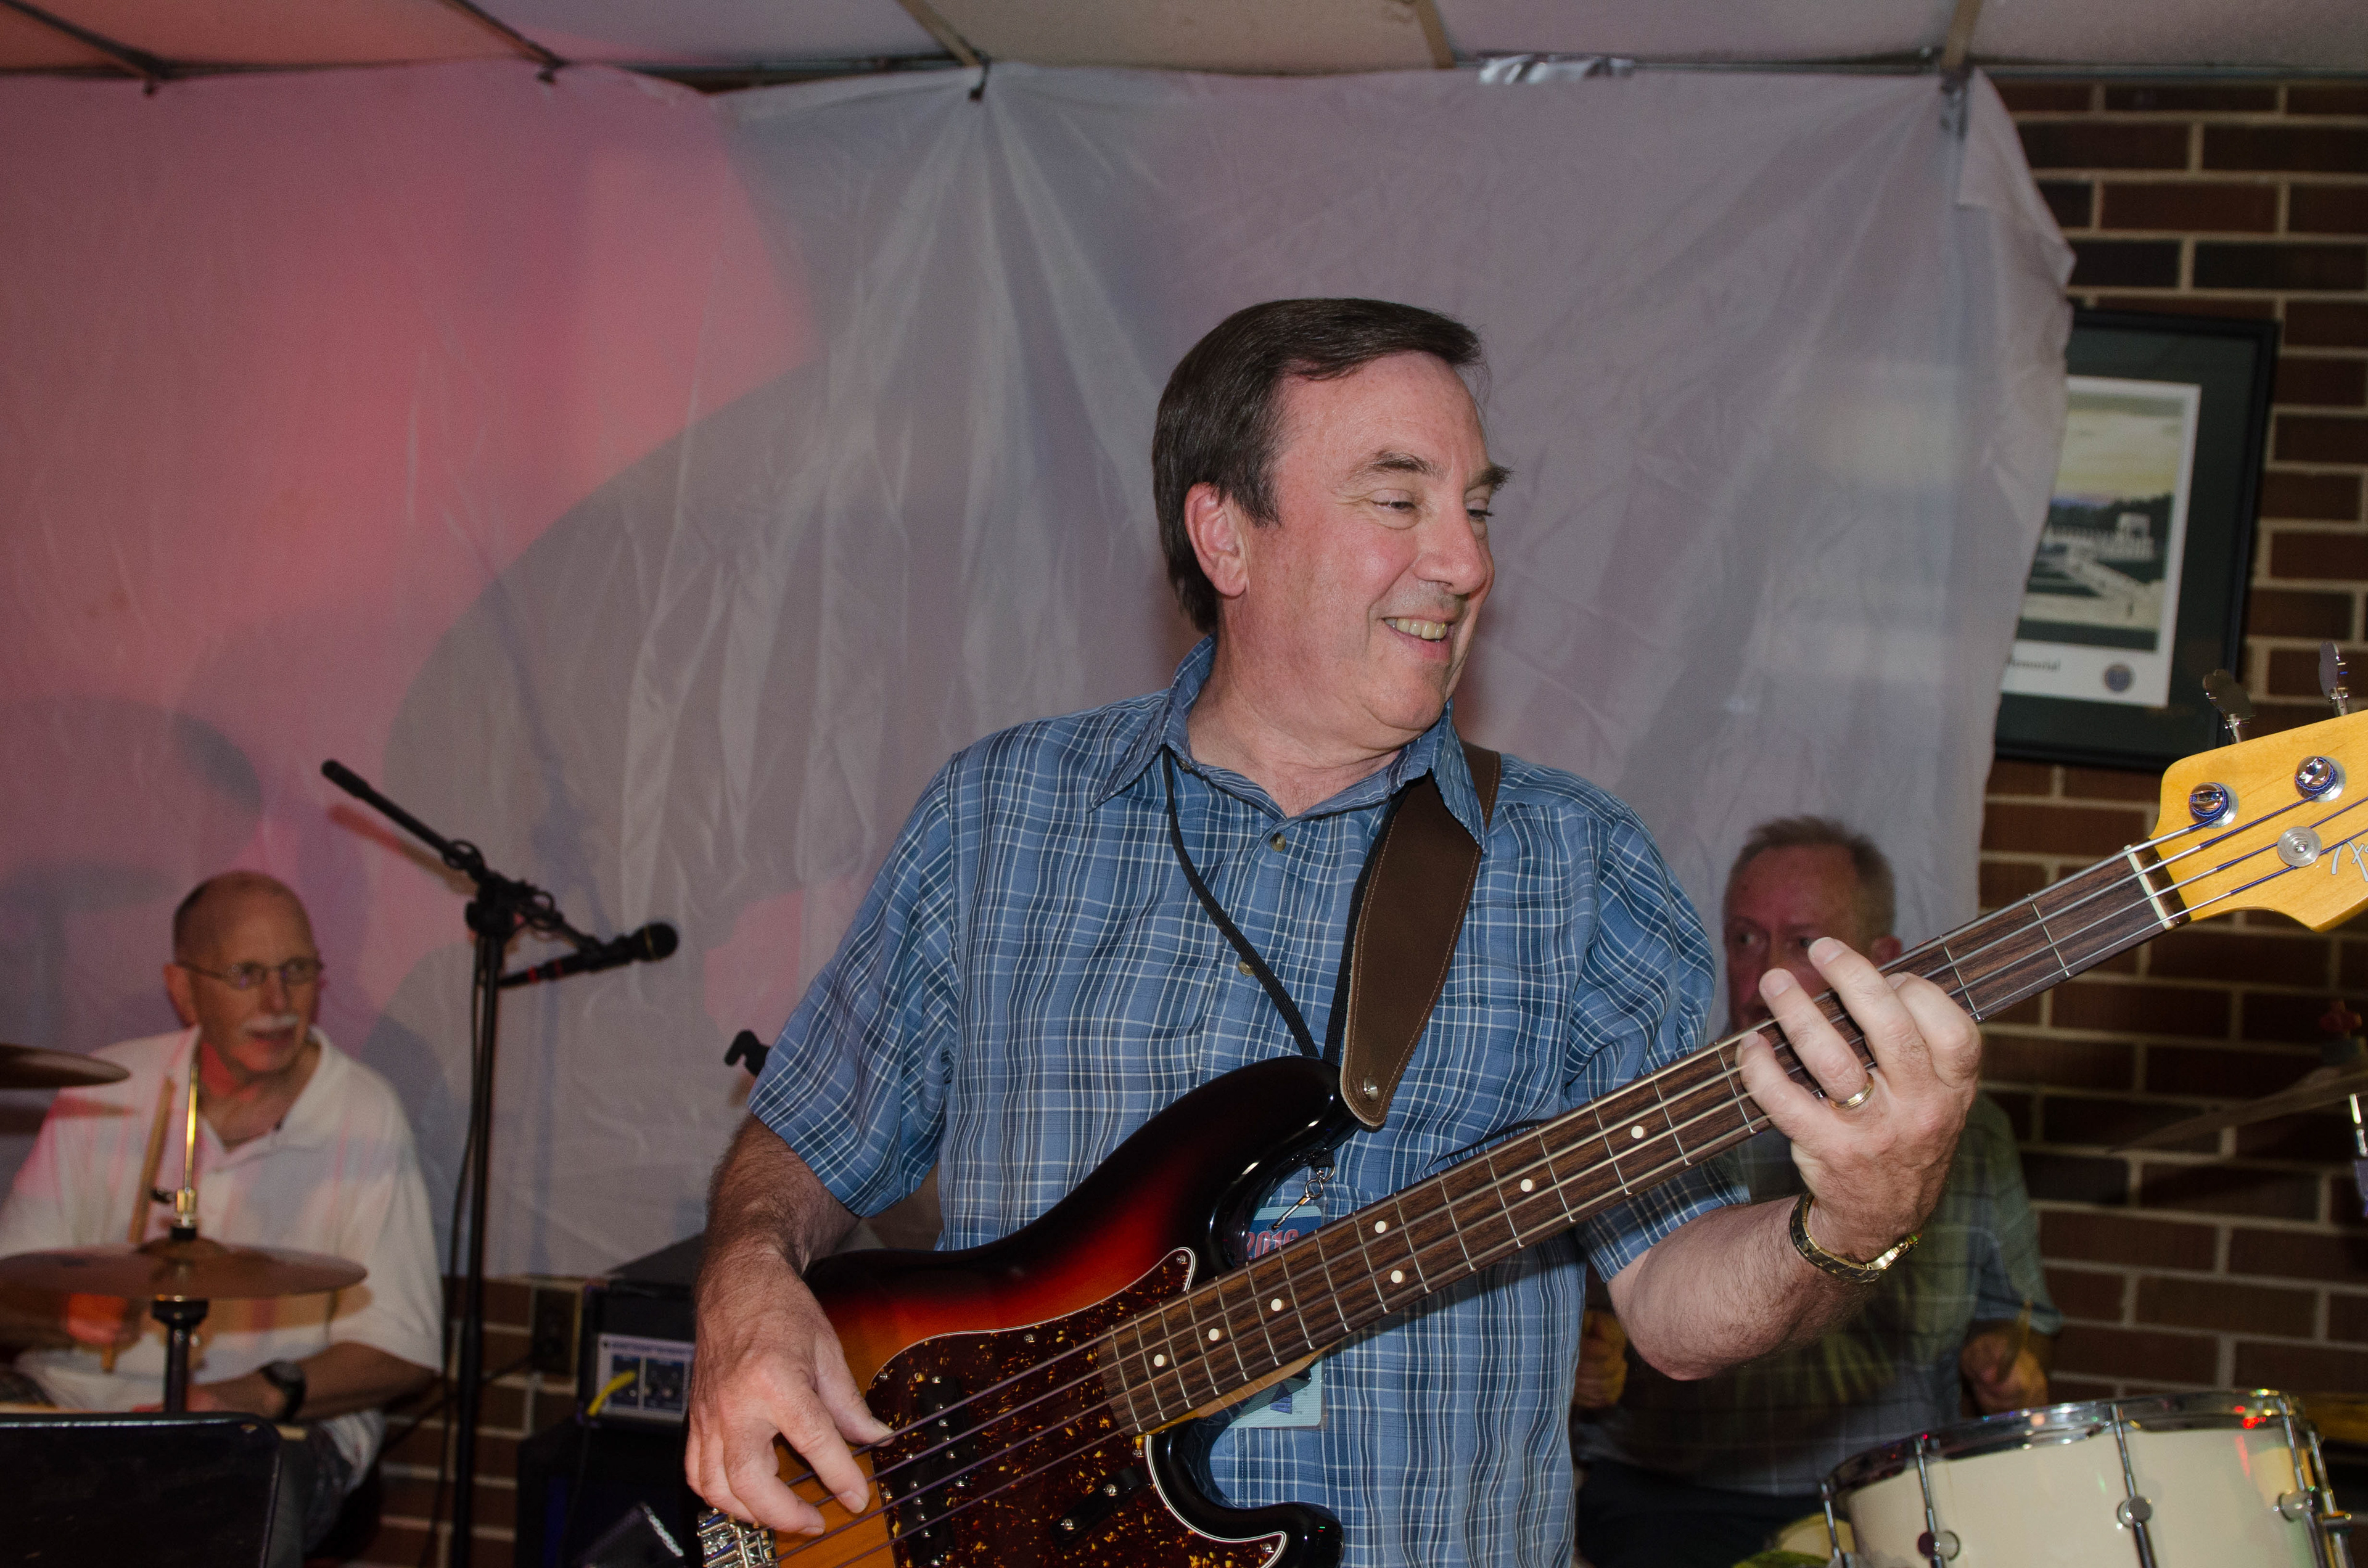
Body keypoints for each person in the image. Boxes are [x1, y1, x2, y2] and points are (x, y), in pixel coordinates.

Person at [686, 298, 1984, 1567]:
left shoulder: (1577, 866)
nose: (1467, 561)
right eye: (1398, 499)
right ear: (1227, 536)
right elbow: (810, 1134)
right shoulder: (999, 815)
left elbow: (1675, 1306)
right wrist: (746, 1279)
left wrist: (1855, 1217)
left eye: (1477, 508)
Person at [1572, 818, 2058, 1568]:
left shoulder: (1968, 1128)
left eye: (1803, 943)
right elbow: (1566, 1309)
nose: (1766, 974)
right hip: (1669, 1497)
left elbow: (2019, 1311)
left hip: (1887, 1495)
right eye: (1745, 938)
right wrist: (1581, 1356)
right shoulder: (1647, 1118)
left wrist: (2007, 1355)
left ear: (1881, 961)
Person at [0, 871, 442, 1561]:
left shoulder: (364, 1113)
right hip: (71, 1397)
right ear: (183, 988)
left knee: (231, 1505)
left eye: (297, 971)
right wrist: (65, 1315)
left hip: (274, 1422)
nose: (278, 1001)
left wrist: (251, 1395)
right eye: (246, 974)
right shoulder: (108, 1090)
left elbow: (402, 1349)